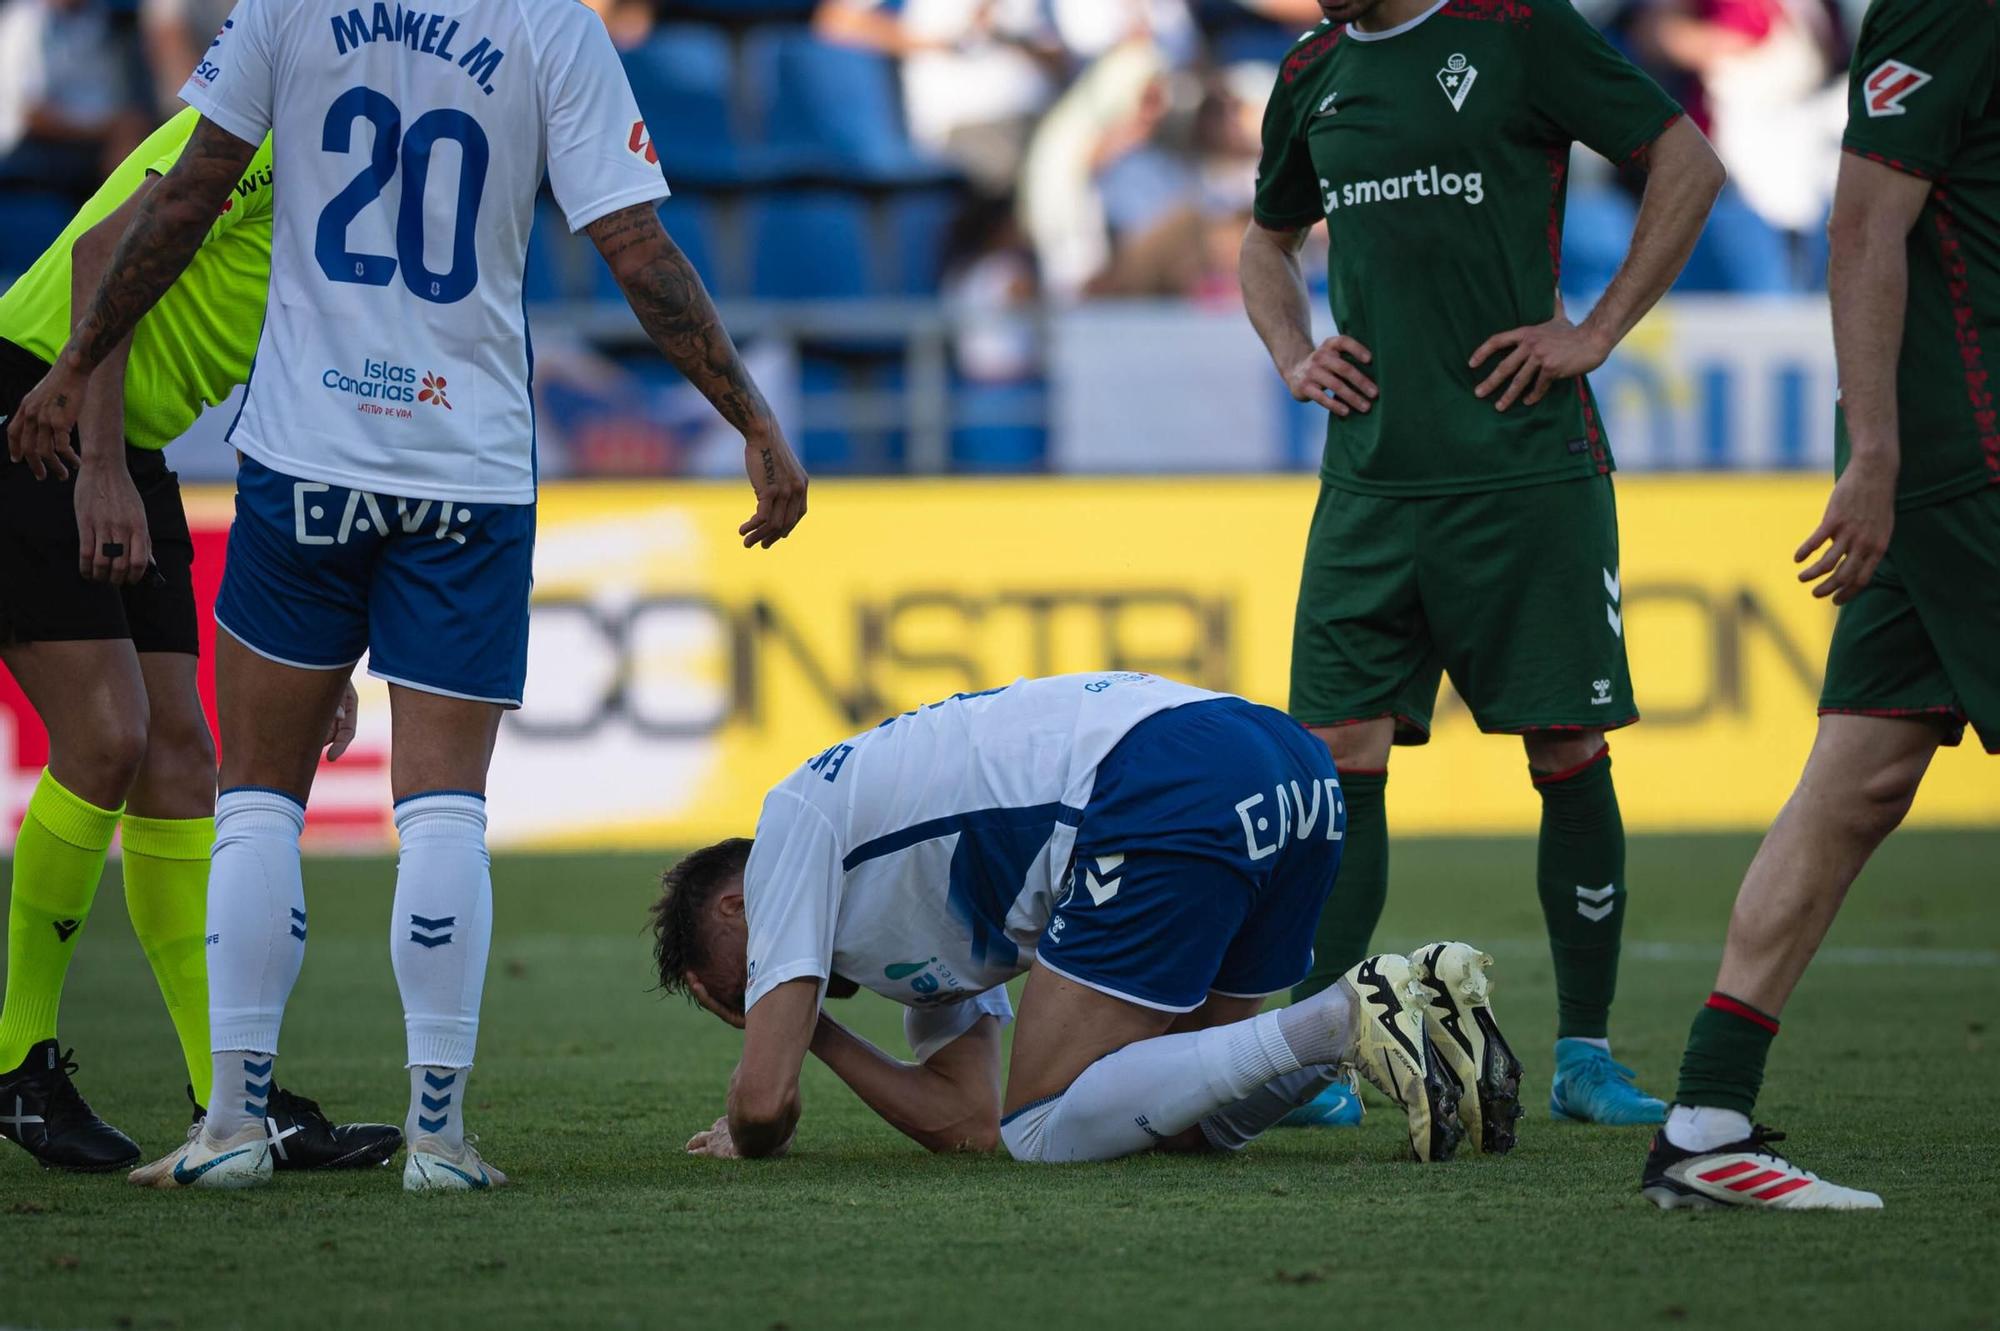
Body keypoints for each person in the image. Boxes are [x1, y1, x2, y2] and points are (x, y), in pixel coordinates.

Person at [8, 0, 809, 1191]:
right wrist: (749, 417)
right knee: (428, 808)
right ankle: (430, 1132)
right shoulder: (550, 31)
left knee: (233, 787)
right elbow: (636, 250)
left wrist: (86, 388)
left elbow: (177, 207)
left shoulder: (289, 21)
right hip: (445, 459)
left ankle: (230, 1113)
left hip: (294, 453)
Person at [1239, 0, 1724, 1127]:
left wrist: (1595, 329)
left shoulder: (1515, 29)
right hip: (1369, 485)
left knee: (1566, 743)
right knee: (1336, 751)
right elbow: (1264, 241)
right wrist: (1290, 350)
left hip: (1525, 470)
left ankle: (1585, 1057)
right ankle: (1316, 1051)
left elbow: (1685, 162)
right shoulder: (1310, 69)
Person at [1640, 0, 1997, 1212]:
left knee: (1854, 785)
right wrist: (1877, 456)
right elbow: (1860, 227)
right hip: (1968, 464)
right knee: (1848, 785)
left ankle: (1701, 1120)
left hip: (1942, 465)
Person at [652, 672, 1524, 1165]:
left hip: (1159, 782)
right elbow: (965, 1123)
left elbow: (764, 1108)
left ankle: (1339, 1018)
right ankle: (1423, 1002)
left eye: (734, 981)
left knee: (1044, 1130)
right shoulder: (904, 940)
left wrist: (777, 1026)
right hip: (1280, 759)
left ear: (738, 905)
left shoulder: (790, 827)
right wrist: (818, 1027)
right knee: (1183, 1116)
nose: (751, 997)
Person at [0, 106, 396, 1177]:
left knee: (181, 761)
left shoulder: (384, 194)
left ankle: (232, 1102)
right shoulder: (278, 123)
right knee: (109, 736)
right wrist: (94, 464)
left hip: (132, 428)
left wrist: (332, 639)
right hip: (41, 396)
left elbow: (316, 406)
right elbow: (101, 252)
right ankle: (16, 1065)